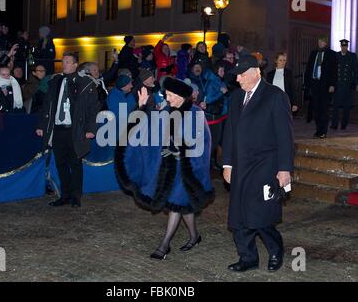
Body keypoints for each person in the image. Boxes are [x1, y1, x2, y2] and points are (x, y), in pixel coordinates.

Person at [114, 77, 214, 260]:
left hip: (186, 170)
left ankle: (164, 245)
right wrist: (142, 107)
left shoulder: (195, 113)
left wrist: (181, 152)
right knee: (182, 204)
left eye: (169, 95)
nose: (167, 98)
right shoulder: (167, 112)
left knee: (177, 204)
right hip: (169, 171)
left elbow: (203, 143)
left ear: (179, 96)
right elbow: (147, 129)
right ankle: (194, 236)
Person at [222, 54, 294, 273]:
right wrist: (227, 164)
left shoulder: (274, 96)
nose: (238, 80)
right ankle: (248, 257)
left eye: (242, 75)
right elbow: (230, 132)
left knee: (261, 215)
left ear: (256, 72)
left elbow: (285, 136)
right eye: (237, 76)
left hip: (266, 167)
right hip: (240, 166)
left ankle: (275, 250)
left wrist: (284, 169)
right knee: (239, 216)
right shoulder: (235, 97)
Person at [36, 52, 99, 208]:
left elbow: (92, 108)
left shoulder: (85, 83)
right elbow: (47, 106)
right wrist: (42, 125)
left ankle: (76, 197)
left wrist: (91, 128)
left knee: (75, 163)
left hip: (75, 129)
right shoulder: (55, 81)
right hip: (58, 129)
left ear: (75, 65)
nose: (64, 64)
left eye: (67, 62)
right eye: (63, 61)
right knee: (61, 163)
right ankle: (64, 195)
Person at [304, 35, 337, 138]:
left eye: (322, 41)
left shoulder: (331, 54)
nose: (320, 43)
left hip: (325, 85)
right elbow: (309, 68)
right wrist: (307, 83)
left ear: (326, 43)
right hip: (314, 84)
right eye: (319, 41)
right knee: (316, 108)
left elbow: (334, 71)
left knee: (324, 109)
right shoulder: (314, 53)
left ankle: (323, 131)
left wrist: (332, 85)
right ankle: (318, 130)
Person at [331, 39, 358, 130]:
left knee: (346, 106)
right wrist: (332, 84)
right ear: (340, 46)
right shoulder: (336, 55)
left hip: (347, 85)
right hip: (338, 85)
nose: (344, 48)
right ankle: (334, 124)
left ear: (347, 47)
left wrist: (355, 83)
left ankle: (344, 124)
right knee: (336, 106)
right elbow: (333, 70)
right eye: (342, 46)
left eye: (345, 46)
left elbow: (356, 71)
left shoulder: (352, 56)